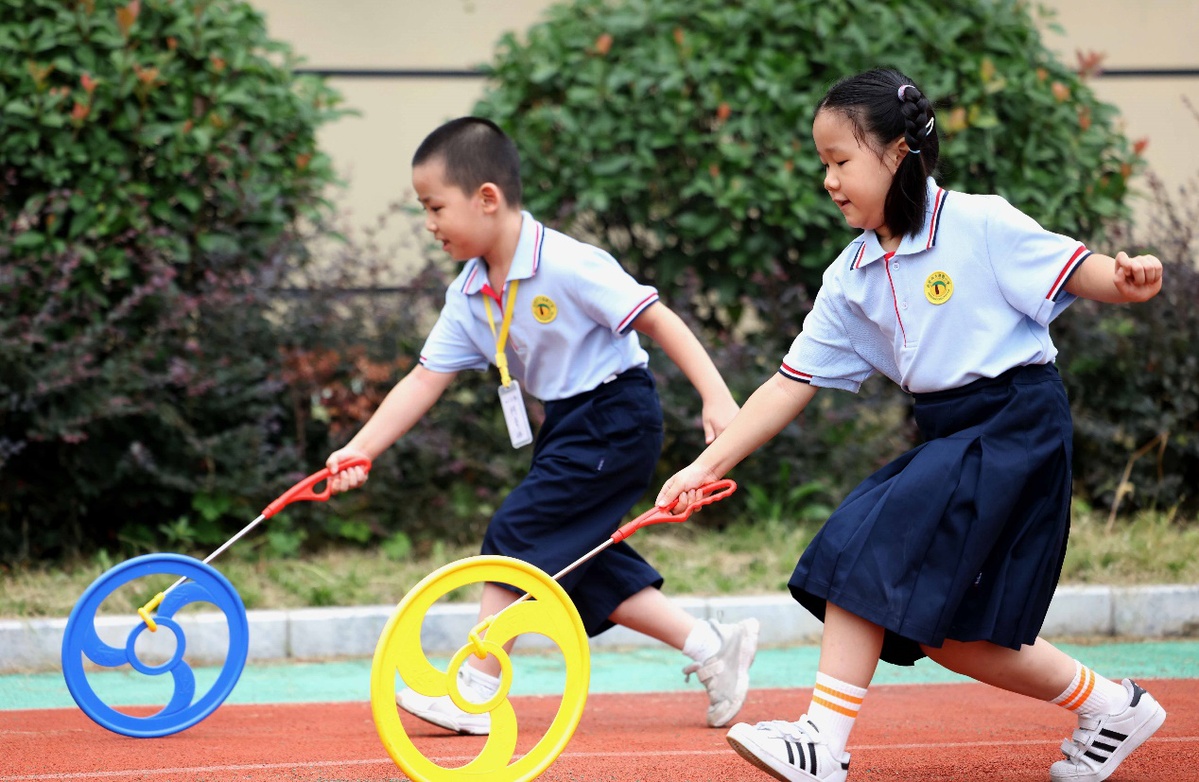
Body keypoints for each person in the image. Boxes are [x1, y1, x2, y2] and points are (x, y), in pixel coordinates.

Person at [655, 67, 1166, 782]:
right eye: (822, 164)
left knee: (868, 541)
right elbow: (787, 383)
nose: (828, 180)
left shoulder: (978, 223)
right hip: (951, 432)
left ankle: (820, 742)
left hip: (1016, 425)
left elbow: (1086, 271)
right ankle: (1114, 705)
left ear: (898, 153)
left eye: (840, 161)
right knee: (944, 632)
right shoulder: (853, 275)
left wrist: (1127, 276)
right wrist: (700, 468)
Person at [326, 116, 756, 735]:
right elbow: (423, 378)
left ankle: (476, 685)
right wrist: (359, 449)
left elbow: (657, 320)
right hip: (567, 425)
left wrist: (717, 399)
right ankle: (711, 645)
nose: (429, 224)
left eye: (435, 207)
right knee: (572, 562)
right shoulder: (471, 293)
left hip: (616, 416)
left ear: (487, 198)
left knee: (517, 531)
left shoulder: (568, 264)